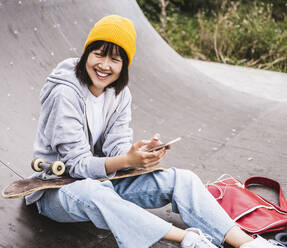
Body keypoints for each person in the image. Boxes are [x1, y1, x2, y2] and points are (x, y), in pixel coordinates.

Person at [25, 15, 282, 248]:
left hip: (103, 182)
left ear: (124, 65)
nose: (104, 65)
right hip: (56, 191)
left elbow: (117, 149)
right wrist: (126, 160)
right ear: (86, 55)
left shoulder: (118, 93)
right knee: (93, 192)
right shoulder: (64, 92)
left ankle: (247, 244)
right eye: (98, 54)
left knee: (183, 178)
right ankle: (188, 240)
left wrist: (139, 154)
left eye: (115, 59)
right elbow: (77, 165)